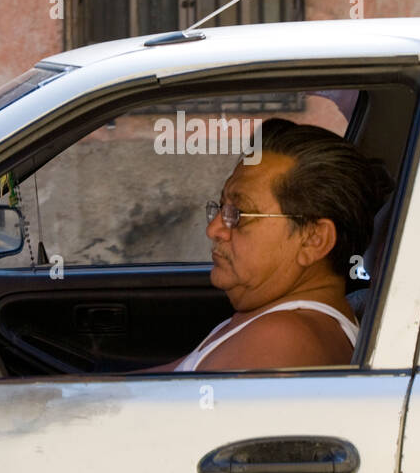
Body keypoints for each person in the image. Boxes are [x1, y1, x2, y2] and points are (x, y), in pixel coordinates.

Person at [146, 119, 392, 372]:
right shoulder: (271, 319)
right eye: (222, 208)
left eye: (239, 214)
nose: (214, 229)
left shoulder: (281, 339)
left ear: (314, 239)